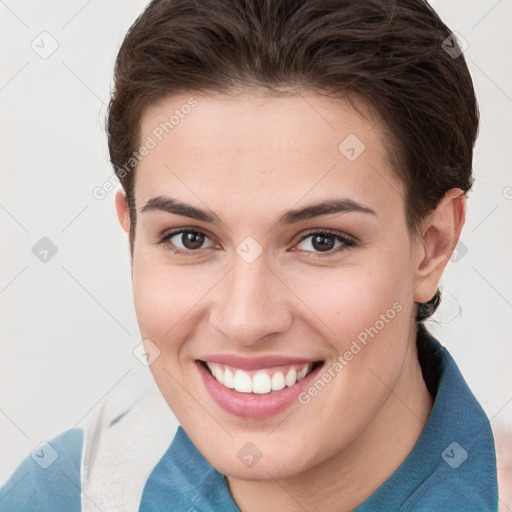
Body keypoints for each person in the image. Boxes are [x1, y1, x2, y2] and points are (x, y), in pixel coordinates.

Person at [0, 0, 499, 511]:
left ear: (432, 246)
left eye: (321, 241)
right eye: (189, 238)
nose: (245, 320)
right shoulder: (62, 494)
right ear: (131, 234)